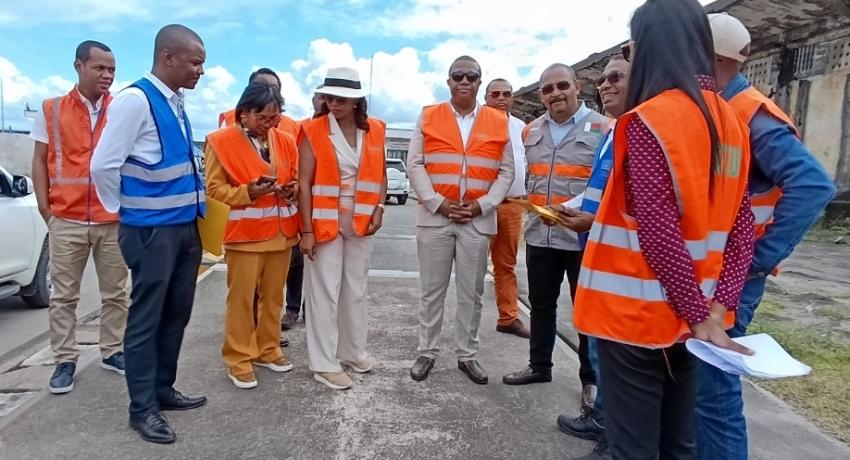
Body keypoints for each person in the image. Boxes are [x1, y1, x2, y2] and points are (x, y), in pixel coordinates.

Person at [572, 0, 757, 457]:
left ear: (647, 47)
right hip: (696, 323)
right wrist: (715, 310)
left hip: (634, 319)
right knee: (678, 445)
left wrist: (697, 314)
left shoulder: (648, 120)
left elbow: (658, 231)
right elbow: (742, 226)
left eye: (631, 49)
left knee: (633, 448)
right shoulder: (732, 123)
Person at [695, 13, 836, 460]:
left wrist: (759, 258)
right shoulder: (720, 107)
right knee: (699, 386)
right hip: (716, 271)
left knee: (712, 392)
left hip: (734, 278)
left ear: (713, 59)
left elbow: (813, 185)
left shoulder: (749, 113)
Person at [90, 24, 207, 445]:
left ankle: (162, 389)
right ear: (167, 57)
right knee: (146, 319)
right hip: (152, 231)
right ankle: (141, 408)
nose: (200, 71)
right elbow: (103, 165)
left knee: (176, 313)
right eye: (195, 62)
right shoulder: (136, 101)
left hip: (183, 228)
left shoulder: (175, 102)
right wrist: (126, 211)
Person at [502, 64, 609, 403]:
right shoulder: (530, 131)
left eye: (562, 85)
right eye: (547, 89)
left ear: (577, 87)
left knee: (586, 312)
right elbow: (528, 178)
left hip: (582, 238)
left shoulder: (604, 128)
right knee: (541, 305)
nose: (555, 93)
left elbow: (609, 184)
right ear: (541, 95)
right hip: (540, 234)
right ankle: (539, 365)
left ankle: (591, 381)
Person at [407, 55, 515, 385]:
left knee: (472, 292)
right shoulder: (429, 115)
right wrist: (437, 203)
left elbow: (506, 171)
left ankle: (467, 355)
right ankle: (427, 351)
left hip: (476, 220)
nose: (464, 81)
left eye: (471, 76)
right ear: (449, 81)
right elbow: (415, 163)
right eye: (458, 76)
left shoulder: (498, 120)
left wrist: (483, 205)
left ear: (480, 81)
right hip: (436, 218)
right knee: (431, 291)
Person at [30, 40, 128, 395]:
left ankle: (112, 351)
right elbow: (39, 160)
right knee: (63, 296)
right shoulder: (51, 109)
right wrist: (46, 208)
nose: (107, 75)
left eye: (112, 70)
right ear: (79, 66)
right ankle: (64, 360)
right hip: (66, 217)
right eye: (100, 68)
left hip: (111, 218)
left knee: (116, 293)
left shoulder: (121, 109)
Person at [555, 54, 630, 460]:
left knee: (619, 356)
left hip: (621, 263)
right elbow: (599, 189)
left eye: (616, 77)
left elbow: (636, 205)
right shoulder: (613, 129)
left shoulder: (640, 131)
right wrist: (566, 208)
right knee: (600, 342)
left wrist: (593, 220)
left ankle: (616, 438)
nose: (606, 85)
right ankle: (601, 417)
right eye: (603, 79)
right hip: (598, 253)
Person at [205, 82, 300, 389]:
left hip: (281, 233)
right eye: (263, 117)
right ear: (244, 113)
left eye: (275, 117)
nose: (269, 123)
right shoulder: (220, 142)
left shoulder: (285, 140)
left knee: (273, 298)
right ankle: (239, 359)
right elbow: (214, 189)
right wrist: (248, 192)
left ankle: (268, 349)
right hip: (245, 237)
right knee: (242, 301)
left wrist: (292, 189)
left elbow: (296, 178)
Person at [298, 67, 387, 390]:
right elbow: (303, 183)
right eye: (329, 98)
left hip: (361, 220)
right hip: (324, 220)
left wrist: (379, 207)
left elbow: (381, 174)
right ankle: (323, 364)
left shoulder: (376, 129)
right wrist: (306, 231)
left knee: (355, 289)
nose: (333, 104)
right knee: (324, 291)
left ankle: (352, 352)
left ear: (356, 102)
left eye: (340, 99)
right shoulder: (313, 129)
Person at [483, 78, 530, 339]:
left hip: (512, 205)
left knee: (506, 264)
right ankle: (467, 322)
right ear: (486, 98)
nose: (501, 98)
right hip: (482, 207)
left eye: (507, 94)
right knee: (472, 265)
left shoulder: (521, 127)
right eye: (495, 94)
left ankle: (508, 317)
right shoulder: (476, 124)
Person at [281, 88, 326, 331]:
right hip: (299, 201)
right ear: (313, 100)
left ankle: (312, 307)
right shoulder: (301, 128)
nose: (325, 101)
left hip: (326, 206)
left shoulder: (336, 129)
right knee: (296, 259)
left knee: (320, 260)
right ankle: (292, 307)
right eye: (320, 97)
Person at [218, 68, 299, 138]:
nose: (268, 90)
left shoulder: (292, 126)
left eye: (274, 88)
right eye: (261, 86)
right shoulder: (229, 118)